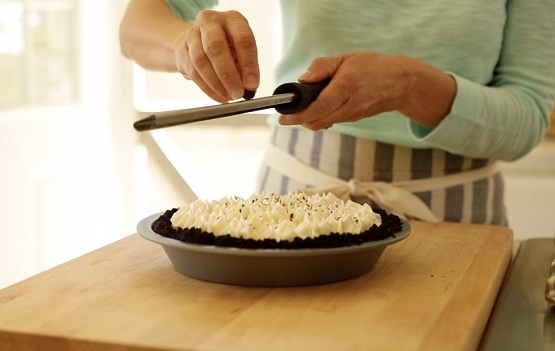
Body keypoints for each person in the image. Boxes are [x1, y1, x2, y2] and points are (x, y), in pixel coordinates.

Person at [119, 0, 555, 224]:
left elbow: (527, 122)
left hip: (458, 221)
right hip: (293, 206)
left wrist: (409, 85)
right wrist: (185, 43)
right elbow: (137, 26)